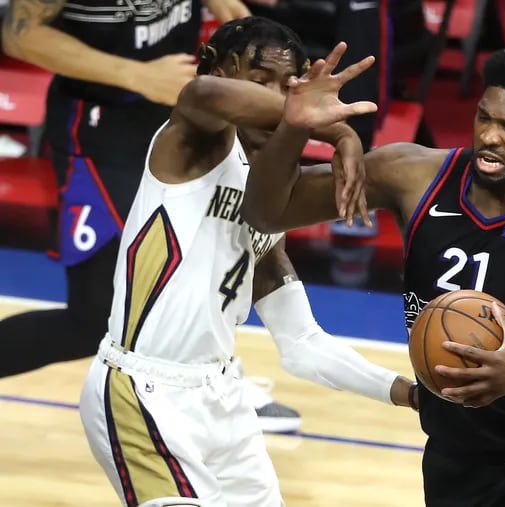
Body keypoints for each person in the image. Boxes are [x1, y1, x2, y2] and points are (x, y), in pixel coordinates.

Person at [245, 42, 505, 506]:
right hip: (458, 458)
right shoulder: (413, 175)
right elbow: (266, 211)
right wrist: (293, 129)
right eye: (485, 118)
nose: (490, 137)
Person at [78, 16, 416, 507]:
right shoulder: (195, 141)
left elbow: (303, 344)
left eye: (291, 85)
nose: (283, 100)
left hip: (224, 403)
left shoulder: (269, 198)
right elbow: (204, 95)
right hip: (142, 394)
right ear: (218, 68)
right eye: (262, 83)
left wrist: (407, 393)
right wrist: (340, 132)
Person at [0, 0, 303, 430]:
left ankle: (216, 384)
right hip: (102, 121)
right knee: (92, 317)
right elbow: (19, 34)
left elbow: (237, 19)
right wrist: (136, 74)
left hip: (184, 105)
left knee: (204, 254)